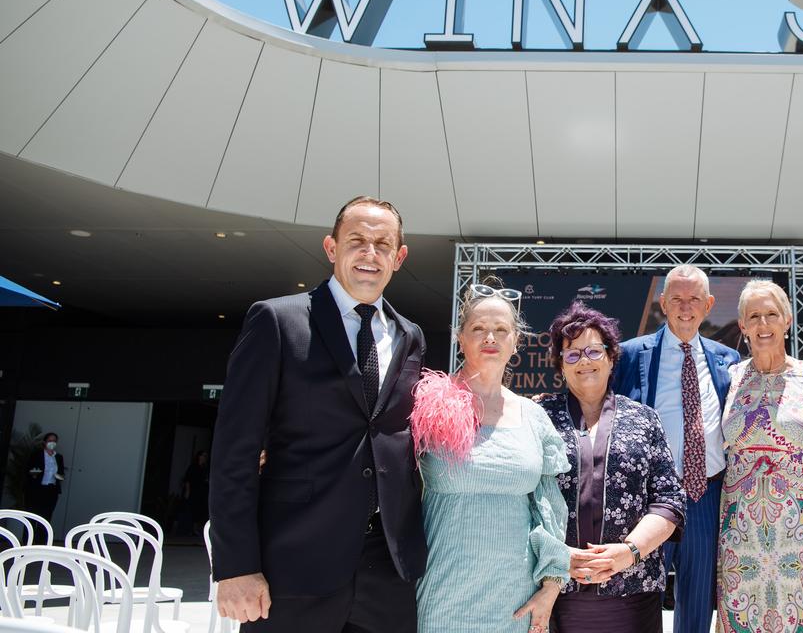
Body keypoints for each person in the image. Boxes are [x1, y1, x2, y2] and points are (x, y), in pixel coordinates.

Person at [210, 196, 427, 632]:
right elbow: (235, 453)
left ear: (399, 257)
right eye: (357, 241)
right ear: (331, 248)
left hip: (387, 574)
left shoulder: (410, 336)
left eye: (383, 244)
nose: (370, 254)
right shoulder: (276, 321)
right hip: (293, 568)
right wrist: (235, 566)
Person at [410, 282, 569, 633]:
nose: (490, 338)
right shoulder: (427, 403)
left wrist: (552, 585)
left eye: (501, 330)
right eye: (478, 329)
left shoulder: (533, 417)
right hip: (441, 593)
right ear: (460, 338)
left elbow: (549, 508)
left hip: (514, 601)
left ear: (516, 341)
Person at [537, 301, 684, 632]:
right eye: (571, 354)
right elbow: (524, 501)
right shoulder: (539, 418)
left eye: (592, 351)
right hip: (558, 588)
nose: (583, 361)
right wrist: (558, 556)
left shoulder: (644, 419)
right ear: (560, 365)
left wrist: (629, 552)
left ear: (611, 356)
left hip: (633, 589)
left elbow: (669, 499)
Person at [717, 280, 803, 633]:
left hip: (799, 534)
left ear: (788, 319)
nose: (763, 325)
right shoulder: (730, 379)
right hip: (740, 535)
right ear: (743, 325)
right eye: (754, 316)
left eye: (772, 314)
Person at [613, 265, 740, 633]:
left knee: (698, 600)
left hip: (705, 493)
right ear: (663, 303)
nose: (686, 307)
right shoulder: (630, 355)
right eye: (677, 299)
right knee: (638, 595)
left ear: (709, 305)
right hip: (650, 498)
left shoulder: (727, 360)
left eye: (694, 299)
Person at [24, 432, 64, 542]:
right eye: (50, 440)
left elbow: (61, 474)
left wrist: (59, 476)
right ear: (44, 442)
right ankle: (27, 542)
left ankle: (41, 543)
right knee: (32, 516)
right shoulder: (37, 455)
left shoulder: (58, 457)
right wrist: (35, 473)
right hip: (36, 489)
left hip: (51, 490)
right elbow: (29, 470)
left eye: (54, 441)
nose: (52, 443)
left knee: (46, 517)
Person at [182, 450, 210, 535]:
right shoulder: (193, 467)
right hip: (194, 491)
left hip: (202, 492)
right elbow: (188, 479)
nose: (205, 458)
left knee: (200, 510)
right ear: (199, 456)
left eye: (206, 456)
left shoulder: (204, 468)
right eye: (203, 456)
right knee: (192, 510)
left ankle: (196, 529)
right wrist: (187, 491)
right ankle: (190, 529)